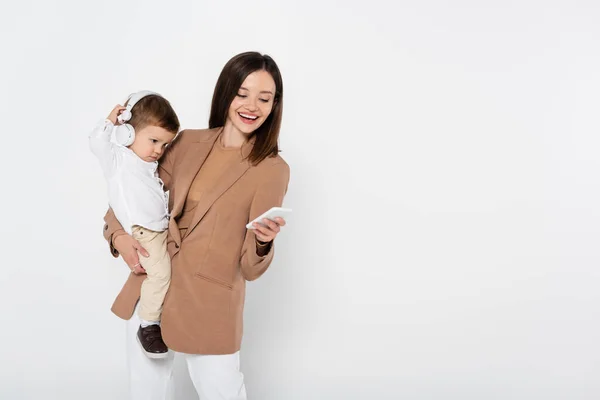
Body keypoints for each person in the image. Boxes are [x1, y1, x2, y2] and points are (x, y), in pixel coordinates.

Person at [102, 51, 290, 400]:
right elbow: (134, 191)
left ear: (274, 105)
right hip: (151, 293)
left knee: (223, 392)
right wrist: (119, 236)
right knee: (146, 392)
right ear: (226, 92)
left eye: (264, 98)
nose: (252, 105)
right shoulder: (187, 141)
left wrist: (263, 243)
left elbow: (250, 267)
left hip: (210, 300)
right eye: (242, 93)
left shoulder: (272, 169)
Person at [90, 91, 180, 358]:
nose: (158, 151)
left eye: (164, 145)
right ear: (127, 134)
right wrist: (109, 124)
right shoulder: (118, 161)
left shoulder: (149, 166)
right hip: (144, 232)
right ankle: (148, 324)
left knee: (168, 273)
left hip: (160, 230)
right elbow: (97, 143)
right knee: (161, 274)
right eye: (153, 141)